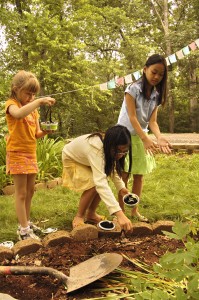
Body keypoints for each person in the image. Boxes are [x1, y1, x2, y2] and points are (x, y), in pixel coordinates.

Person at [117, 54, 172, 222]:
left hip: (141, 137)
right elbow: (132, 117)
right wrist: (145, 139)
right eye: (154, 72)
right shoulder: (132, 89)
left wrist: (159, 137)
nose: (156, 77)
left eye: (160, 74)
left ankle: (134, 211)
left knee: (139, 175)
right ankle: (120, 213)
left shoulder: (156, 95)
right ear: (145, 69)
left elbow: (152, 121)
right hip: (124, 135)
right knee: (124, 175)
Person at [5, 70, 56, 240]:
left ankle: (26, 222)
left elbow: (36, 134)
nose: (31, 97)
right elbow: (18, 115)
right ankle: (23, 230)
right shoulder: (11, 104)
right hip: (17, 153)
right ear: (15, 89)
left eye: (34, 94)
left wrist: (46, 132)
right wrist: (40, 101)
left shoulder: (34, 111)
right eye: (28, 93)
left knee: (30, 191)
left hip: (30, 153)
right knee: (20, 193)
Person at [62, 125, 133, 232]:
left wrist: (121, 188)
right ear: (111, 145)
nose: (121, 155)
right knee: (94, 184)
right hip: (71, 157)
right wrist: (119, 214)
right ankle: (79, 216)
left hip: (84, 159)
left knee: (102, 181)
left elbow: (112, 169)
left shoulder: (109, 146)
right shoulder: (96, 149)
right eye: (118, 151)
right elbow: (100, 183)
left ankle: (90, 214)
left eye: (124, 151)